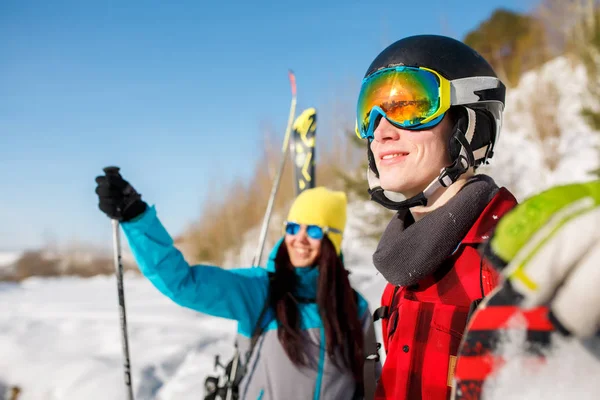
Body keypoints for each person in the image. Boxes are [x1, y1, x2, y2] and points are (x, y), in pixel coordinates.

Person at [94, 171, 380, 400]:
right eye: (293, 227)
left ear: (334, 240)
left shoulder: (354, 306)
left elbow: (370, 378)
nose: (299, 238)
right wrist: (136, 216)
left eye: (314, 230)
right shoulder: (262, 291)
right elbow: (184, 283)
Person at [353, 34, 518, 399]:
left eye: (410, 107)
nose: (380, 131)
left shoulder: (516, 262)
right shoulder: (398, 277)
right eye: (371, 112)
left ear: (469, 125)